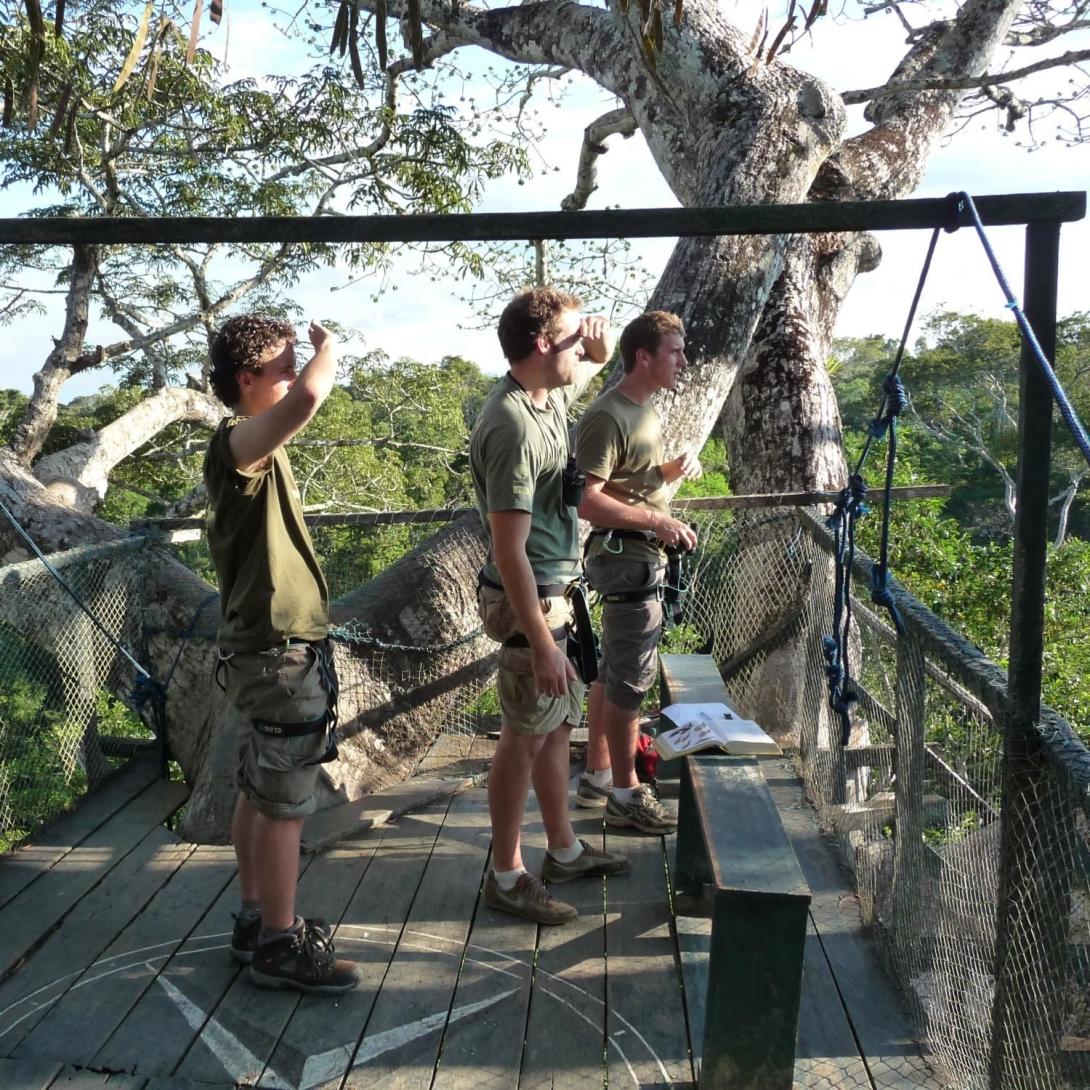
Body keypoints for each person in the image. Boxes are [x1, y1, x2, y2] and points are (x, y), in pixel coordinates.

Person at [204, 314, 359, 995]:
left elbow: (297, 401)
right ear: (247, 381)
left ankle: (253, 920)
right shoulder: (238, 444)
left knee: (259, 789)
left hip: (266, 653)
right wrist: (331, 350)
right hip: (278, 658)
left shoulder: (255, 449)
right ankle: (279, 941)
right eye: (281, 363)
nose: (294, 372)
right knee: (286, 803)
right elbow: (308, 399)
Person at [470, 287, 630, 925]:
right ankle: (506, 875)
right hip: (526, 598)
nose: (582, 351)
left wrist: (598, 349)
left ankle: (561, 849)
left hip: (553, 592)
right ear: (541, 345)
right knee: (523, 735)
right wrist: (538, 642)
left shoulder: (544, 397)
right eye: (570, 339)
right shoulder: (509, 425)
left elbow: (576, 368)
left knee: (556, 726)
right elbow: (508, 550)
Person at [573, 310, 701, 834]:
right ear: (643, 356)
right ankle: (627, 794)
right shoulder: (607, 416)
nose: (684, 361)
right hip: (625, 559)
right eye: (675, 351)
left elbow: (630, 481)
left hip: (639, 556)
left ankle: (599, 774)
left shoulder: (644, 411)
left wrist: (670, 471)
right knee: (630, 681)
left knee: (614, 672)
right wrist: (655, 519)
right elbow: (585, 500)